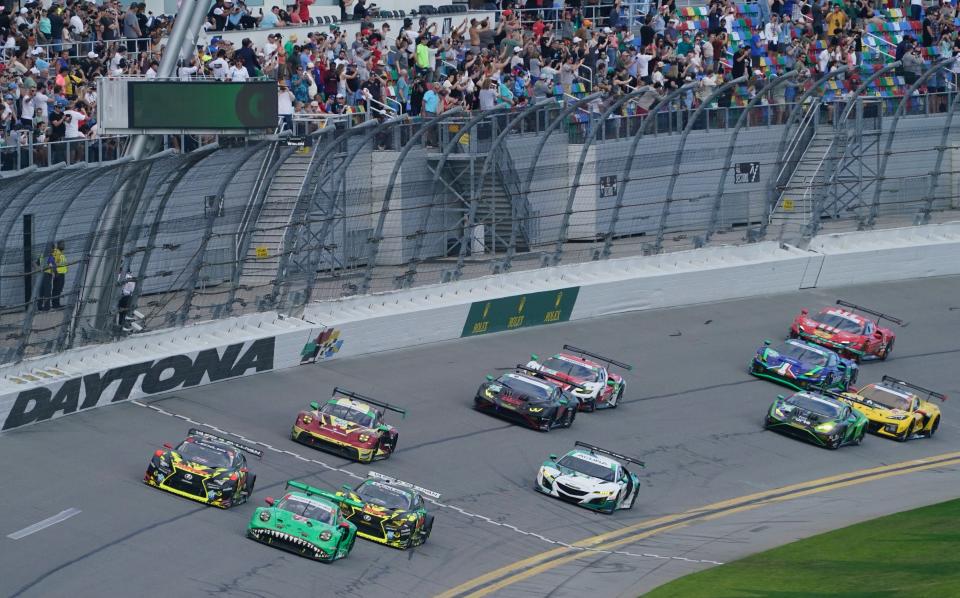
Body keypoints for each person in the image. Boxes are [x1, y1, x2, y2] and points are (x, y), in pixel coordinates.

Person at [36, 243, 55, 312]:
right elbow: (50, 265)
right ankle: (47, 307)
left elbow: (36, 264)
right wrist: (53, 273)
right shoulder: (50, 256)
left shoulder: (42, 255)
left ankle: (39, 307)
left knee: (41, 291)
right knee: (47, 292)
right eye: (53, 249)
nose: (53, 250)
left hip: (41, 275)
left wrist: (39, 270)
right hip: (47, 275)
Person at [52, 240, 67, 309]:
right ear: (58, 245)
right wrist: (56, 273)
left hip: (62, 274)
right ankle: (55, 305)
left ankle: (57, 303)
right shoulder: (57, 252)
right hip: (58, 274)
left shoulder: (61, 253)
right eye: (62, 244)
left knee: (59, 289)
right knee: (57, 289)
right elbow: (53, 263)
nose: (64, 246)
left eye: (64, 244)